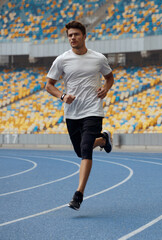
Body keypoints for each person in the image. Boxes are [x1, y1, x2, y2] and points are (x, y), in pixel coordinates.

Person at [45, 21, 114, 211]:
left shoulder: (98, 58)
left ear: (84, 36)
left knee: (85, 150)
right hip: (72, 113)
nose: (72, 38)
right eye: (69, 35)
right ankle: (103, 140)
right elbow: (49, 85)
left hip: (93, 110)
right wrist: (62, 96)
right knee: (80, 151)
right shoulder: (61, 60)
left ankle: (79, 194)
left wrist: (106, 88)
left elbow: (109, 77)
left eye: (76, 34)